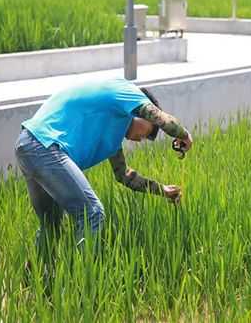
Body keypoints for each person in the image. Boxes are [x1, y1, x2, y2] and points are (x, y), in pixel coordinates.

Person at [14, 78, 193, 261]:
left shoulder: (112, 133)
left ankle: (37, 281)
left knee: (51, 224)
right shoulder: (126, 91)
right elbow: (160, 117)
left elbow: (124, 176)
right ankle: (83, 284)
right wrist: (184, 135)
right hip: (45, 146)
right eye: (147, 133)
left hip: (28, 145)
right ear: (142, 116)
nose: (140, 139)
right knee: (92, 213)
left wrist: (162, 190)